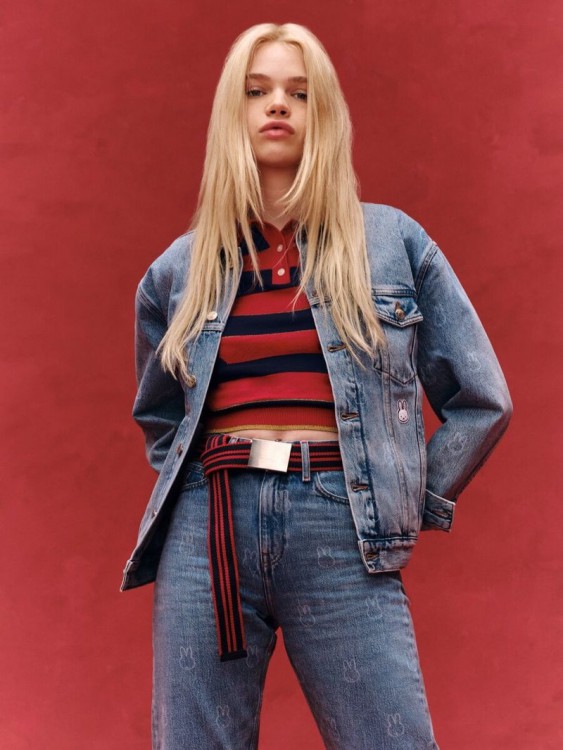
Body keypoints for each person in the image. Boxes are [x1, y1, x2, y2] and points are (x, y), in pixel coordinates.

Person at [121, 22, 512, 750]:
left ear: (323, 114)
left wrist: (406, 496)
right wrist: (200, 487)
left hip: (340, 519)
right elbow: (160, 414)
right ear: (232, 113)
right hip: (209, 531)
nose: (278, 105)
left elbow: (481, 398)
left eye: (299, 94)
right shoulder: (179, 269)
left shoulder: (392, 242)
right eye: (257, 91)